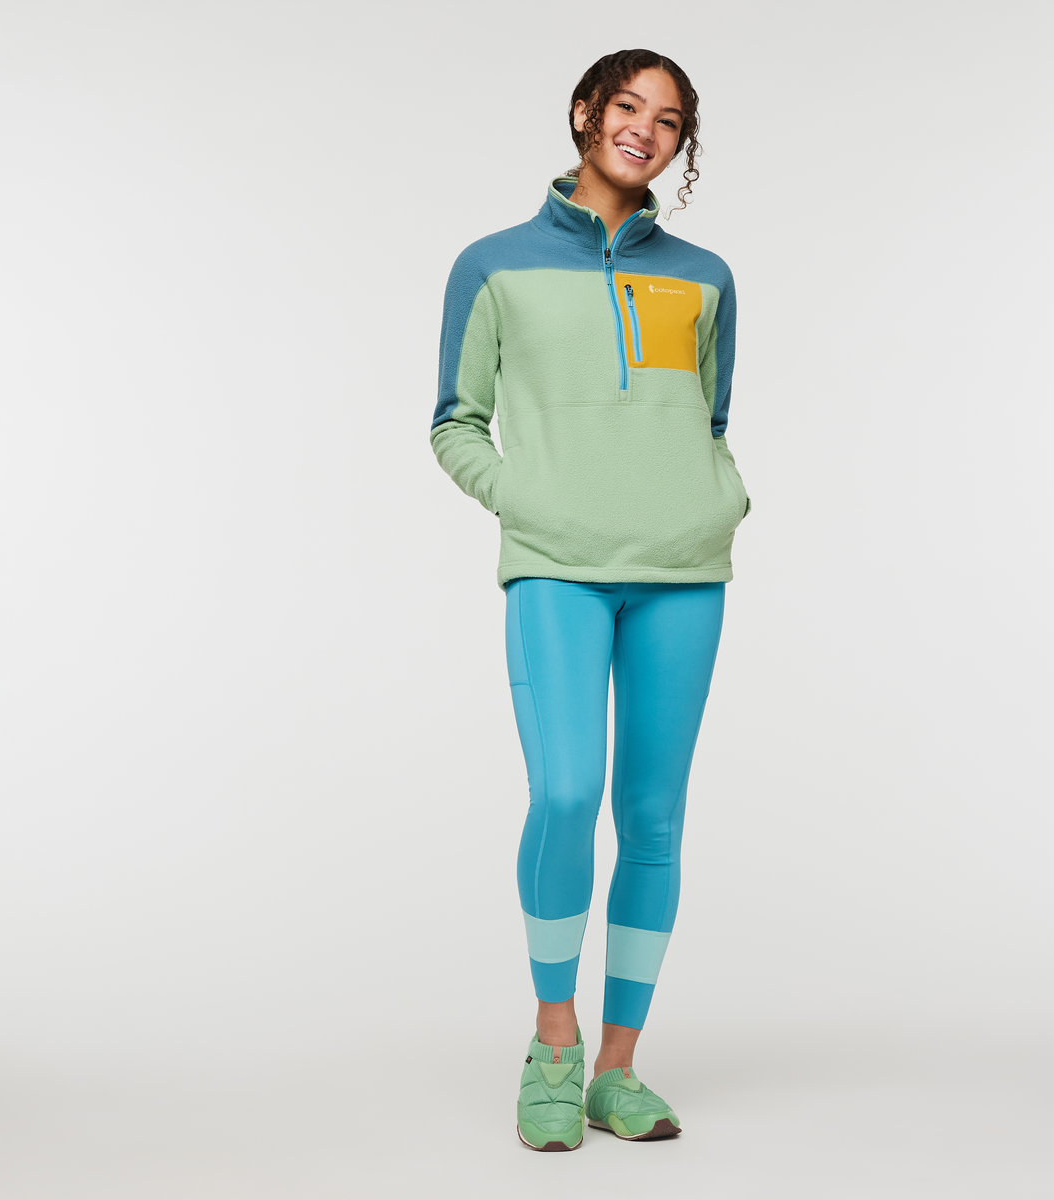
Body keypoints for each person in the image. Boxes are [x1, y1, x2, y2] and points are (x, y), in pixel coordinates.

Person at [430, 48, 750, 1151]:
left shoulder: (706, 275)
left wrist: (720, 499)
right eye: (627, 106)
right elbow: (454, 422)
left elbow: (709, 419)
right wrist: (527, 501)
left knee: (653, 818)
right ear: (583, 113)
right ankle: (554, 1043)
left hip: (683, 573)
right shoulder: (493, 264)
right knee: (567, 793)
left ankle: (619, 1066)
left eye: (669, 119)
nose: (645, 130)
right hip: (557, 568)